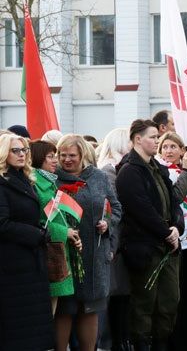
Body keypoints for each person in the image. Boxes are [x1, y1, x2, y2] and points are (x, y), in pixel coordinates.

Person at [115, 121, 183, 351]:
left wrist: (177, 227)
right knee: (144, 303)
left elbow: (174, 202)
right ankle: (143, 344)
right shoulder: (129, 171)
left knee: (169, 301)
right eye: (153, 137)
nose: (157, 141)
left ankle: (162, 343)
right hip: (145, 248)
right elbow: (141, 209)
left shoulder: (158, 168)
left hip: (167, 247)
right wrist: (166, 233)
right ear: (137, 139)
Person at [55, 134, 122, 351]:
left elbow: (115, 207)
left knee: (90, 308)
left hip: (94, 254)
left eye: (72, 155)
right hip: (65, 253)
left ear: (82, 154)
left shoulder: (98, 177)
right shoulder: (52, 179)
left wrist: (107, 222)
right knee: (65, 309)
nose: (67, 160)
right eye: (62, 155)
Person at [0, 133, 55, 351]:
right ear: (4, 153)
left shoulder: (24, 178)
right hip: (12, 264)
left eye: (24, 150)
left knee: (31, 328)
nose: (21, 154)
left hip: (29, 261)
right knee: (18, 330)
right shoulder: (2, 182)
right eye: (15, 150)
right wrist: (36, 234)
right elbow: (2, 224)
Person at [156, 132, 187, 351]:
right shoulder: (162, 172)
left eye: (173, 146)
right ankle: (173, 338)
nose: (169, 151)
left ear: (183, 150)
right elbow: (174, 197)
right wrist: (186, 172)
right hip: (175, 239)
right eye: (165, 147)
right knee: (174, 294)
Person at [95, 128, 133, 351]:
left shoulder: (114, 169)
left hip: (117, 245)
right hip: (115, 246)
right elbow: (113, 211)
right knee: (113, 300)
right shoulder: (109, 171)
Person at [31, 139, 79, 309]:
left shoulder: (49, 182)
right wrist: (64, 232)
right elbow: (36, 220)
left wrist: (69, 231)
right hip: (47, 249)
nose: (55, 161)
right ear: (38, 158)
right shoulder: (34, 183)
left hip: (55, 247)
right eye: (50, 156)